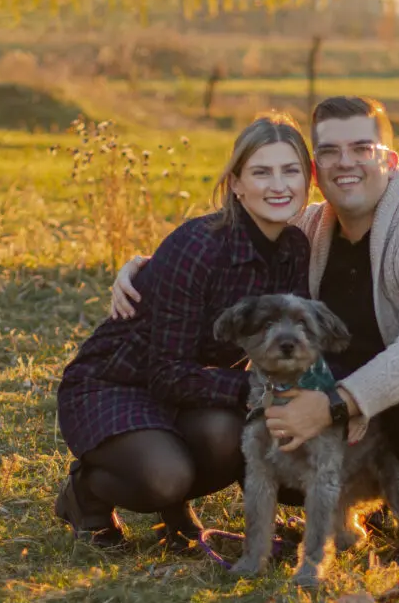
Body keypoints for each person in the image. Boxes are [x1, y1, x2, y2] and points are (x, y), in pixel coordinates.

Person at [113, 97, 399, 565]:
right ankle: (359, 502)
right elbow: (228, 242)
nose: (346, 163)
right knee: (272, 413)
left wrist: (332, 405)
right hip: (359, 403)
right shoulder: (311, 227)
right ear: (316, 169)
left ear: (390, 160)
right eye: (331, 152)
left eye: (362, 148)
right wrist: (146, 267)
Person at [55, 114, 312, 548]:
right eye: (261, 172)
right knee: (164, 476)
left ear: (309, 181)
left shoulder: (294, 251)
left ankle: (175, 510)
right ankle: (86, 494)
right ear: (235, 183)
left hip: (194, 387)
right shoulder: (199, 246)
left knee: (229, 438)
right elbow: (166, 373)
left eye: (291, 171)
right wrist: (255, 388)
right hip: (117, 382)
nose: (278, 185)